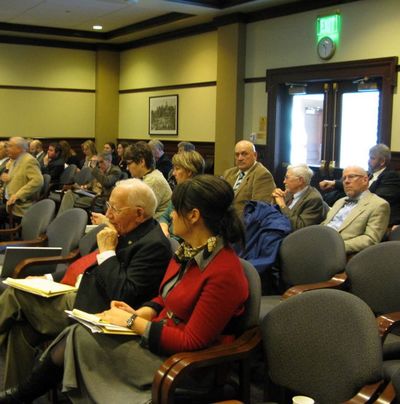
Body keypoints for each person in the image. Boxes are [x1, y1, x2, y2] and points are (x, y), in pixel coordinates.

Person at [0, 175, 249, 403]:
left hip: (184, 366)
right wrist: (143, 312)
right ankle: (21, 395)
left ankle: (22, 395)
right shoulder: (188, 251)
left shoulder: (224, 271)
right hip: (159, 337)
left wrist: (131, 321)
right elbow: (165, 297)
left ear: (194, 216)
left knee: (79, 337)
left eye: (175, 210)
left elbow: (192, 340)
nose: (170, 216)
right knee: (77, 334)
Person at [0, 179, 172, 388]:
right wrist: (47, 278)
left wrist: (108, 252)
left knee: (16, 294)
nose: (108, 215)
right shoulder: (123, 230)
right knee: (22, 330)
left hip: (99, 311)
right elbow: (82, 265)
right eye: (109, 206)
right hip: (81, 293)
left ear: (139, 213)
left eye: (115, 209)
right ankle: (12, 392)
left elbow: (124, 293)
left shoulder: (154, 245)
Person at [320, 144, 400, 226]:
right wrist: (334, 183)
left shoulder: (391, 177)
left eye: (372, 158)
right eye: (369, 157)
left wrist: (355, 190)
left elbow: (376, 198)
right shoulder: (369, 174)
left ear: (382, 161)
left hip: (373, 218)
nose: (368, 161)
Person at [322, 166, 390, 254]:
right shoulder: (339, 201)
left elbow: (370, 239)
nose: (346, 181)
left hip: (340, 252)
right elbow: (325, 224)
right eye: (344, 178)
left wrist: (335, 246)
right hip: (321, 242)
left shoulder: (379, 205)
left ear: (365, 180)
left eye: (351, 177)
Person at [223, 140, 276, 217]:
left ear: (255, 155)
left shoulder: (262, 175)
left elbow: (259, 209)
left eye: (244, 154)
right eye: (237, 155)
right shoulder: (229, 173)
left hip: (244, 223)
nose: (240, 158)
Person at [159, 150, 205, 238]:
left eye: (177, 169)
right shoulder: (179, 191)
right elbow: (165, 216)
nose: (173, 173)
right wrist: (164, 228)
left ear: (189, 171)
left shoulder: (199, 196)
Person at [0, 137, 43, 225]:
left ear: (19, 148)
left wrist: (18, 195)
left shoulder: (29, 160)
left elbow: (38, 181)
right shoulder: (15, 160)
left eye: (10, 146)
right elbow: (16, 179)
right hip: (8, 201)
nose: (7, 149)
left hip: (19, 206)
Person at [125, 141, 171, 219]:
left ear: (142, 162)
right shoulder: (148, 177)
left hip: (157, 226)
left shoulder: (153, 181)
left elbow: (139, 214)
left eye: (129, 163)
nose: (127, 168)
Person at [272, 163, 325, 230]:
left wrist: (282, 206)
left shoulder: (313, 199)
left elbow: (300, 227)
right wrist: (275, 199)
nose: (284, 181)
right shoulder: (290, 192)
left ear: (300, 180)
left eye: (287, 178)